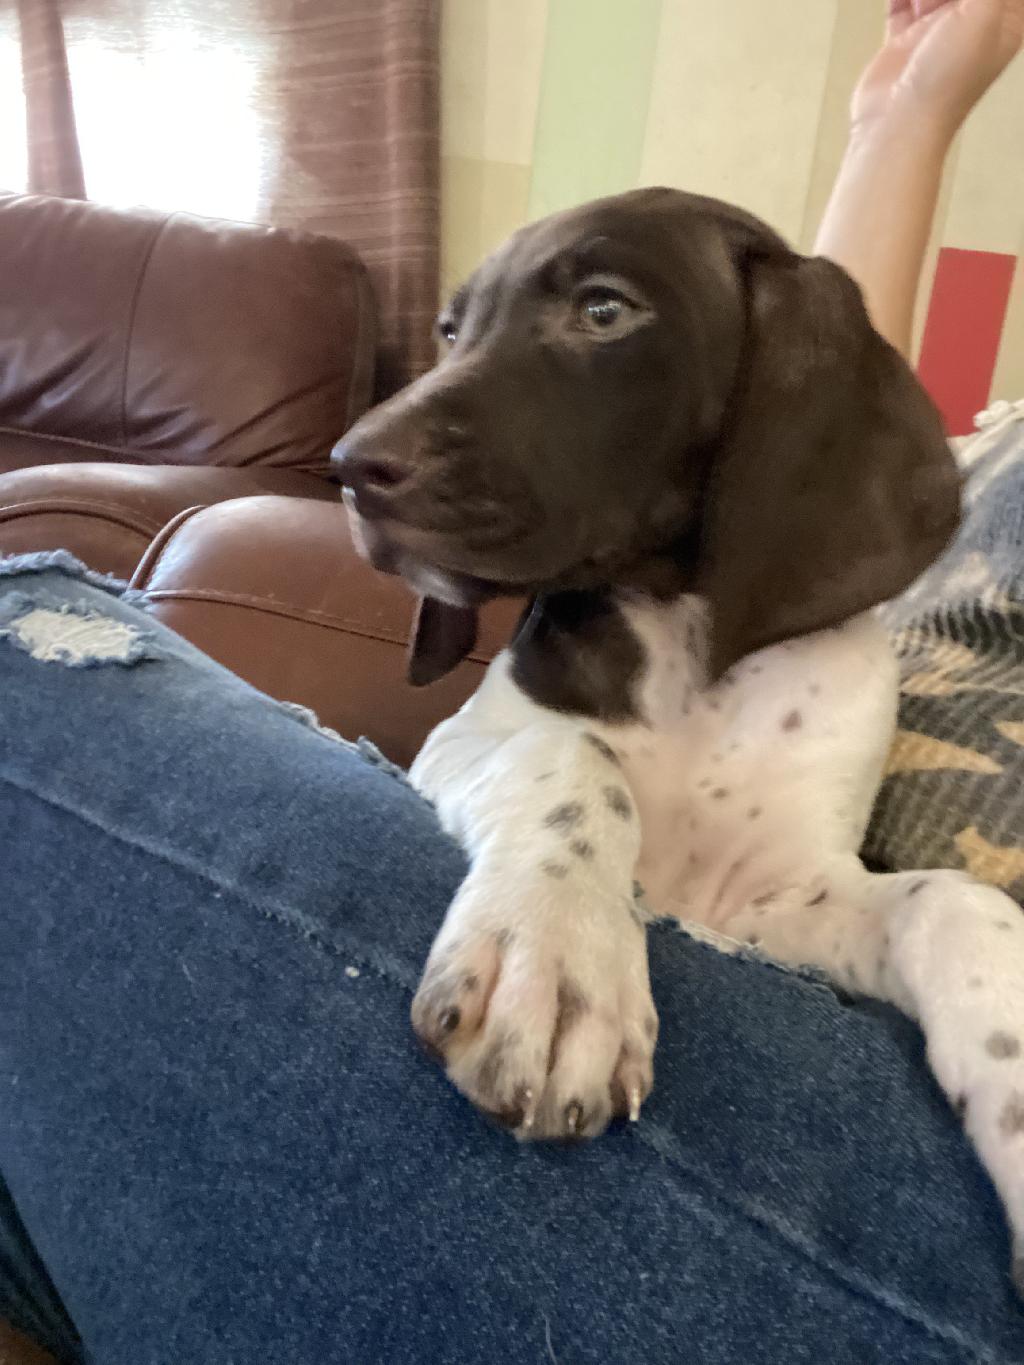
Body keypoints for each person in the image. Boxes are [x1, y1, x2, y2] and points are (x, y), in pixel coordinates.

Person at [1, 3, 1022, 1362]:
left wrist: (942, 928)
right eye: (460, 331)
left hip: (811, 1208)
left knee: (27, 630)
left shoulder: (821, 644)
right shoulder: (610, 636)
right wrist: (909, 113)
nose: (378, 438)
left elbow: (803, 381)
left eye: (599, 309)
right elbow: (800, 354)